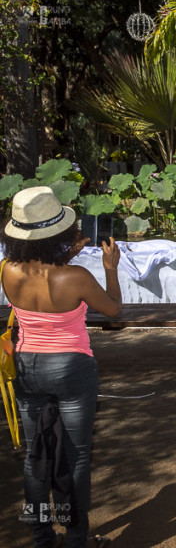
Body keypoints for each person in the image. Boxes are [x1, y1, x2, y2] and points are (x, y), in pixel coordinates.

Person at [1, 186, 121, 548]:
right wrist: (110, 268)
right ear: (61, 233)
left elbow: (41, 274)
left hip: (26, 366)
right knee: (76, 454)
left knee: (35, 456)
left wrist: (65, 254)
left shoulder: (8, 269)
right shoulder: (76, 277)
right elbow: (114, 309)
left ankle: (41, 537)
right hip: (71, 367)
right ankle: (75, 538)